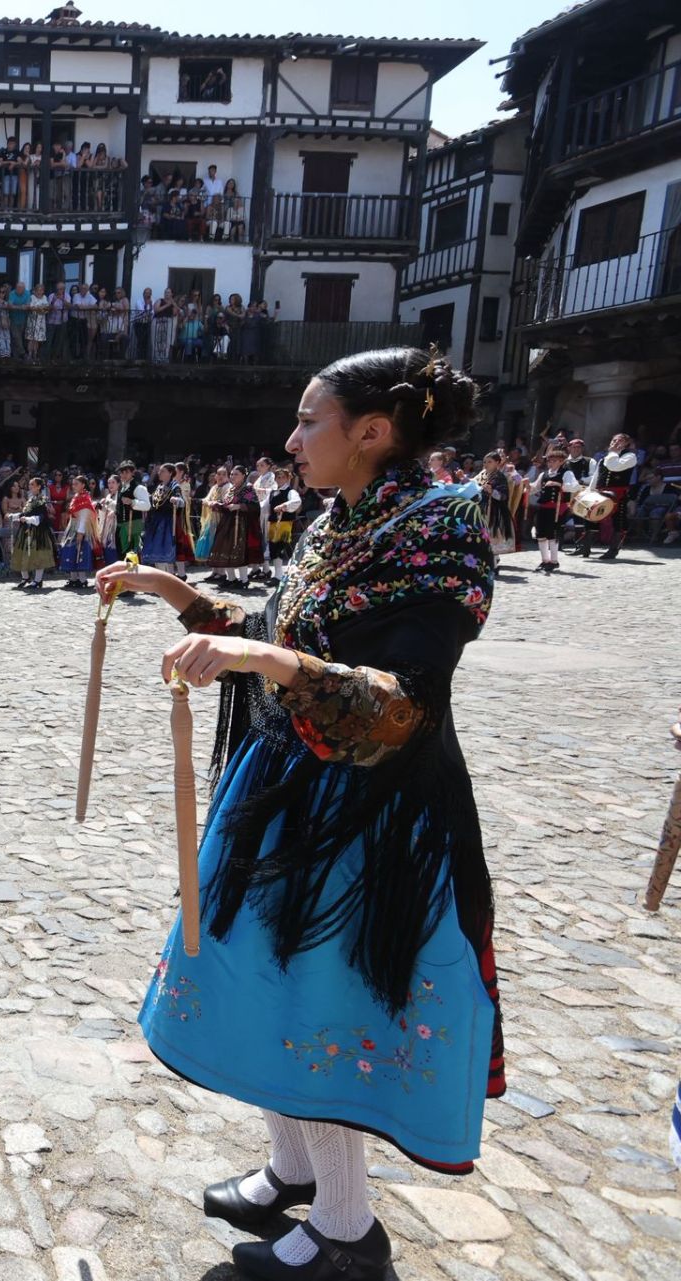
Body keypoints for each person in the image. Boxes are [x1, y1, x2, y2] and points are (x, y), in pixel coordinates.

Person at [101, 348, 497, 1281]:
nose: (290, 439)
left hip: (366, 810)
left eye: (310, 419)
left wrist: (274, 668)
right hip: (287, 787)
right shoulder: (339, 519)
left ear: (374, 431)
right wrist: (168, 588)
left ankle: (348, 1230)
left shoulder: (440, 532)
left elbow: (406, 704)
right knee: (252, 980)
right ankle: (291, 1168)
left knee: (308, 1001)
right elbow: (283, 636)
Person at [594, 433, 640, 559]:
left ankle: (613, 549)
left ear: (626, 444)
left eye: (620, 441)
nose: (615, 443)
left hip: (618, 493)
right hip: (600, 492)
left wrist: (613, 453)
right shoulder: (604, 458)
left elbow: (615, 466)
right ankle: (585, 546)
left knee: (617, 521)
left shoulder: (630, 456)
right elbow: (597, 477)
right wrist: (591, 490)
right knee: (592, 516)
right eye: (614, 440)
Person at [531, 447, 576, 573]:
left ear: (561, 461)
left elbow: (574, 486)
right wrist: (525, 485)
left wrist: (559, 485)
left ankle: (554, 561)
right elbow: (535, 487)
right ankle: (545, 560)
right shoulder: (544, 474)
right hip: (543, 506)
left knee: (552, 534)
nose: (550, 463)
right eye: (549, 461)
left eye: (554, 461)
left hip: (557, 507)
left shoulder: (566, 473)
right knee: (540, 533)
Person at [10, 476, 56, 589]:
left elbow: (41, 517)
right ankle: (25, 577)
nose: (30, 486)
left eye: (32, 485)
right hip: (26, 531)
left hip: (38, 532)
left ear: (39, 487)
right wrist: (14, 516)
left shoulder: (41, 500)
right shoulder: (31, 499)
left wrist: (28, 519)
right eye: (30, 484)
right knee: (22, 553)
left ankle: (37, 580)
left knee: (38, 555)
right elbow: (25, 513)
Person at [473, 453, 516, 559]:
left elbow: (503, 496)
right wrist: (463, 478)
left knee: (493, 538)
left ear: (497, 463)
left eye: (489, 462)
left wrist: (492, 491)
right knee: (483, 538)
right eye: (485, 462)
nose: (486, 464)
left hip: (494, 512)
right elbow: (473, 484)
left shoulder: (499, 476)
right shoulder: (482, 474)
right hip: (482, 510)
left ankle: (494, 565)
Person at [58, 475, 96, 588]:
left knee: (80, 552)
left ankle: (82, 579)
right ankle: (73, 578)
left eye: (76, 484)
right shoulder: (76, 496)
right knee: (70, 551)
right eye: (73, 484)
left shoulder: (85, 498)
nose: (74, 486)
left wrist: (81, 532)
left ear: (83, 485)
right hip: (73, 526)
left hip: (80, 527)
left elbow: (84, 516)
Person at [141, 464, 178, 571]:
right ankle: (160, 576)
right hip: (154, 521)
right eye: (159, 471)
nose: (159, 473)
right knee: (155, 551)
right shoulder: (159, 486)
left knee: (163, 551)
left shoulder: (174, 486)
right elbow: (153, 500)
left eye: (162, 471)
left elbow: (181, 499)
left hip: (166, 523)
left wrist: (177, 500)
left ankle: (167, 577)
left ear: (170, 473)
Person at [114, 462, 149, 560]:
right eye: (122, 473)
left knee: (132, 555)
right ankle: (124, 575)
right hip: (121, 525)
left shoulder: (139, 487)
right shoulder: (122, 487)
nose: (124, 475)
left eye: (126, 472)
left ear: (132, 473)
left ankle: (134, 575)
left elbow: (147, 505)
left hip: (133, 525)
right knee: (122, 554)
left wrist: (133, 502)